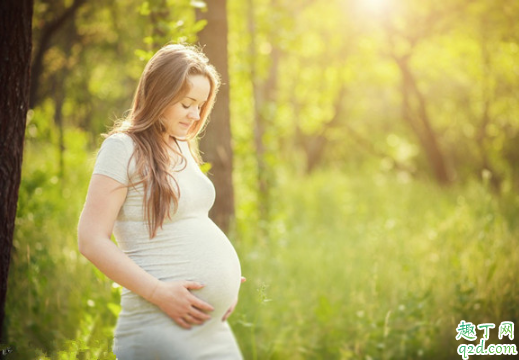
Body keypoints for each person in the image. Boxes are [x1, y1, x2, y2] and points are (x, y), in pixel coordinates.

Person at [77, 43, 244, 359]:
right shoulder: (122, 148)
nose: (195, 115)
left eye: (201, 105)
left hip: (209, 329)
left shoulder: (180, 145)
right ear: (159, 94)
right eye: (187, 104)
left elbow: (188, 222)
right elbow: (90, 239)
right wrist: (159, 293)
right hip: (160, 325)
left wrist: (227, 281)